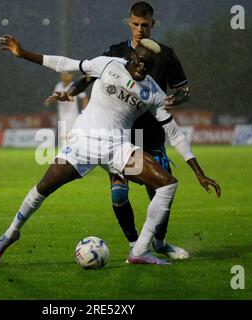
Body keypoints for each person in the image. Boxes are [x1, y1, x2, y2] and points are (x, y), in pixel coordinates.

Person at [0, 34, 220, 266]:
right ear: (132, 56)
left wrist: (198, 172)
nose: (143, 68)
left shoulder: (153, 92)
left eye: (149, 66)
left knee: (167, 184)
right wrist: (22, 53)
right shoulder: (107, 63)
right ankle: (11, 232)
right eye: (140, 61)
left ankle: (139, 250)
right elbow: (66, 64)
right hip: (83, 142)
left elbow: (175, 133)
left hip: (117, 148)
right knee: (43, 187)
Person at [47, 1, 192, 259]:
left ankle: (159, 242)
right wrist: (69, 92)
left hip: (151, 135)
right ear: (129, 22)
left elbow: (183, 88)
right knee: (118, 196)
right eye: (135, 24)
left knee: (159, 191)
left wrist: (175, 99)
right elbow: (87, 77)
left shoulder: (166, 55)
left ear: (153, 25)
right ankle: (135, 244)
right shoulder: (115, 52)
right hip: (119, 137)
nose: (140, 29)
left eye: (145, 25)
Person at [45, 73, 88, 146]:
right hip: (62, 115)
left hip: (73, 115)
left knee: (72, 134)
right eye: (63, 74)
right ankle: (65, 153)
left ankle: (72, 151)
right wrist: (49, 101)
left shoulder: (74, 85)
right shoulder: (58, 86)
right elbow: (55, 97)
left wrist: (85, 110)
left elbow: (84, 97)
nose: (65, 75)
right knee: (63, 135)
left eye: (67, 74)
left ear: (71, 76)